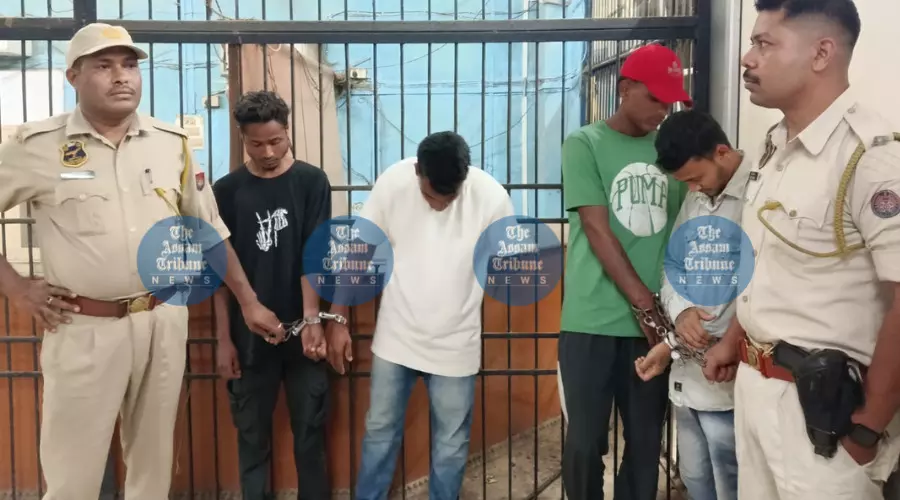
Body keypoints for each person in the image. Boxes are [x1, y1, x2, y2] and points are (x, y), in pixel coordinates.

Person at [0, 23, 284, 499]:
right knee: (73, 476)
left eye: (129, 65)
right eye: (104, 66)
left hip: (161, 320)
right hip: (84, 327)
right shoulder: (37, 147)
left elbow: (209, 231)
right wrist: (16, 288)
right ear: (73, 77)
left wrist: (249, 302)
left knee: (153, 468)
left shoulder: (170, 142)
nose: (121, 77)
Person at [700, 1, 900, 499]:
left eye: (764, 44)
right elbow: (773, 265)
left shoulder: (869, 156)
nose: (748, 58)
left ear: (821, 54)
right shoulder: (775, 148)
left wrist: (868, 427)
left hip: (825, 418)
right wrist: (733, 339)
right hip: (755, 392)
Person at [321, 131, 514, 500]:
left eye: (449, 198)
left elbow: (502, 266)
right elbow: (359, 251)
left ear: (465, 176)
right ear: (417, 171)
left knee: (452, 445)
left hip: (456, 344)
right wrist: (338, 317)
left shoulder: (492, 198)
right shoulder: (393, 183)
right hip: (396, 338)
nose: (440, 205)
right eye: (430, 196)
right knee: (379, 432)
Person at [557, 42, 690, 500]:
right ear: (625, 88)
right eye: (654, 98)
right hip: (591, 320)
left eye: (671, 101)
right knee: (583, 443)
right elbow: (597, 229)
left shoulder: (671, 151)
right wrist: (644, 304)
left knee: (646, 443)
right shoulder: (584, 143)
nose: (663, 110)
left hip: (654, 330)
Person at [212, 90, 333, 500]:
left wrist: (313, 320)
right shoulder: (227, 190)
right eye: (256, 144)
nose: (267, 152)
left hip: (304, 333)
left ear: (288, 131)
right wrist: (224, 339)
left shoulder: (311, 182)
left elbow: (313, 254)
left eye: (276, 141)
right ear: (242, 138)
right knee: (251, 439)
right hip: (247, 337)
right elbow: (221, 273)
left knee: (310, 436)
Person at [634, 109, 747, 500]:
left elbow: (744, 296)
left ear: (721, 152)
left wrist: (678, 342)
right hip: (687, 377)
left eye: (696, 179)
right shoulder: (697, 198)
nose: (693, 189)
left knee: (730, 480)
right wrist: (680, 313)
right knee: (695, 477)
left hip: (728, 376)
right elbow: (674, 266)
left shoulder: (760, 194)